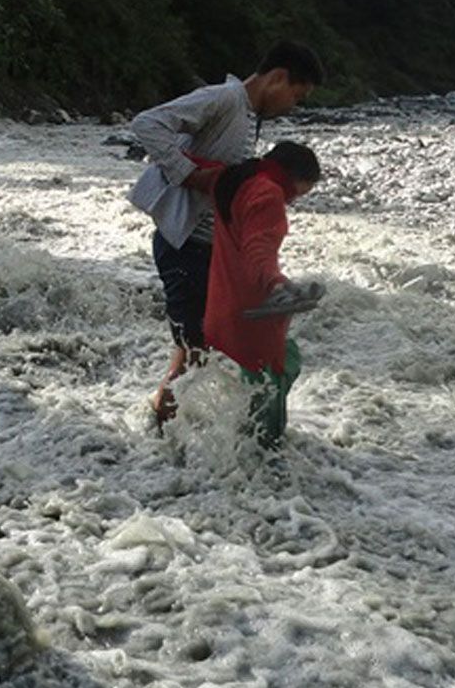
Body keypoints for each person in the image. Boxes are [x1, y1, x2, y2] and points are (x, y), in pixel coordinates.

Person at [126, 41, 325, 427]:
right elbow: (147, 124)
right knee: (195, 348)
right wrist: (185, 173)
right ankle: (160, 433)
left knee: (197, 348)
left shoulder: (248, 115)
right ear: (277, 78)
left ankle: (165, 427)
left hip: (208, 248)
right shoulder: (225, 99)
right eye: (295, 96)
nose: (293, 106)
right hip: (182, 244)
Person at [203, 141, 322, 448]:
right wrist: (276, 284)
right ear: (294, 177)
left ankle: (243, 446)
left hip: (224, 299)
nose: (293, 201)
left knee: (261, 376)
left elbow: (195, 172)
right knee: (277, 372)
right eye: (300, 192)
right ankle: (266, 456)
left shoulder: (237, 179)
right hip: (253, 306)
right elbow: (260, 247)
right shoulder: (268, 194)